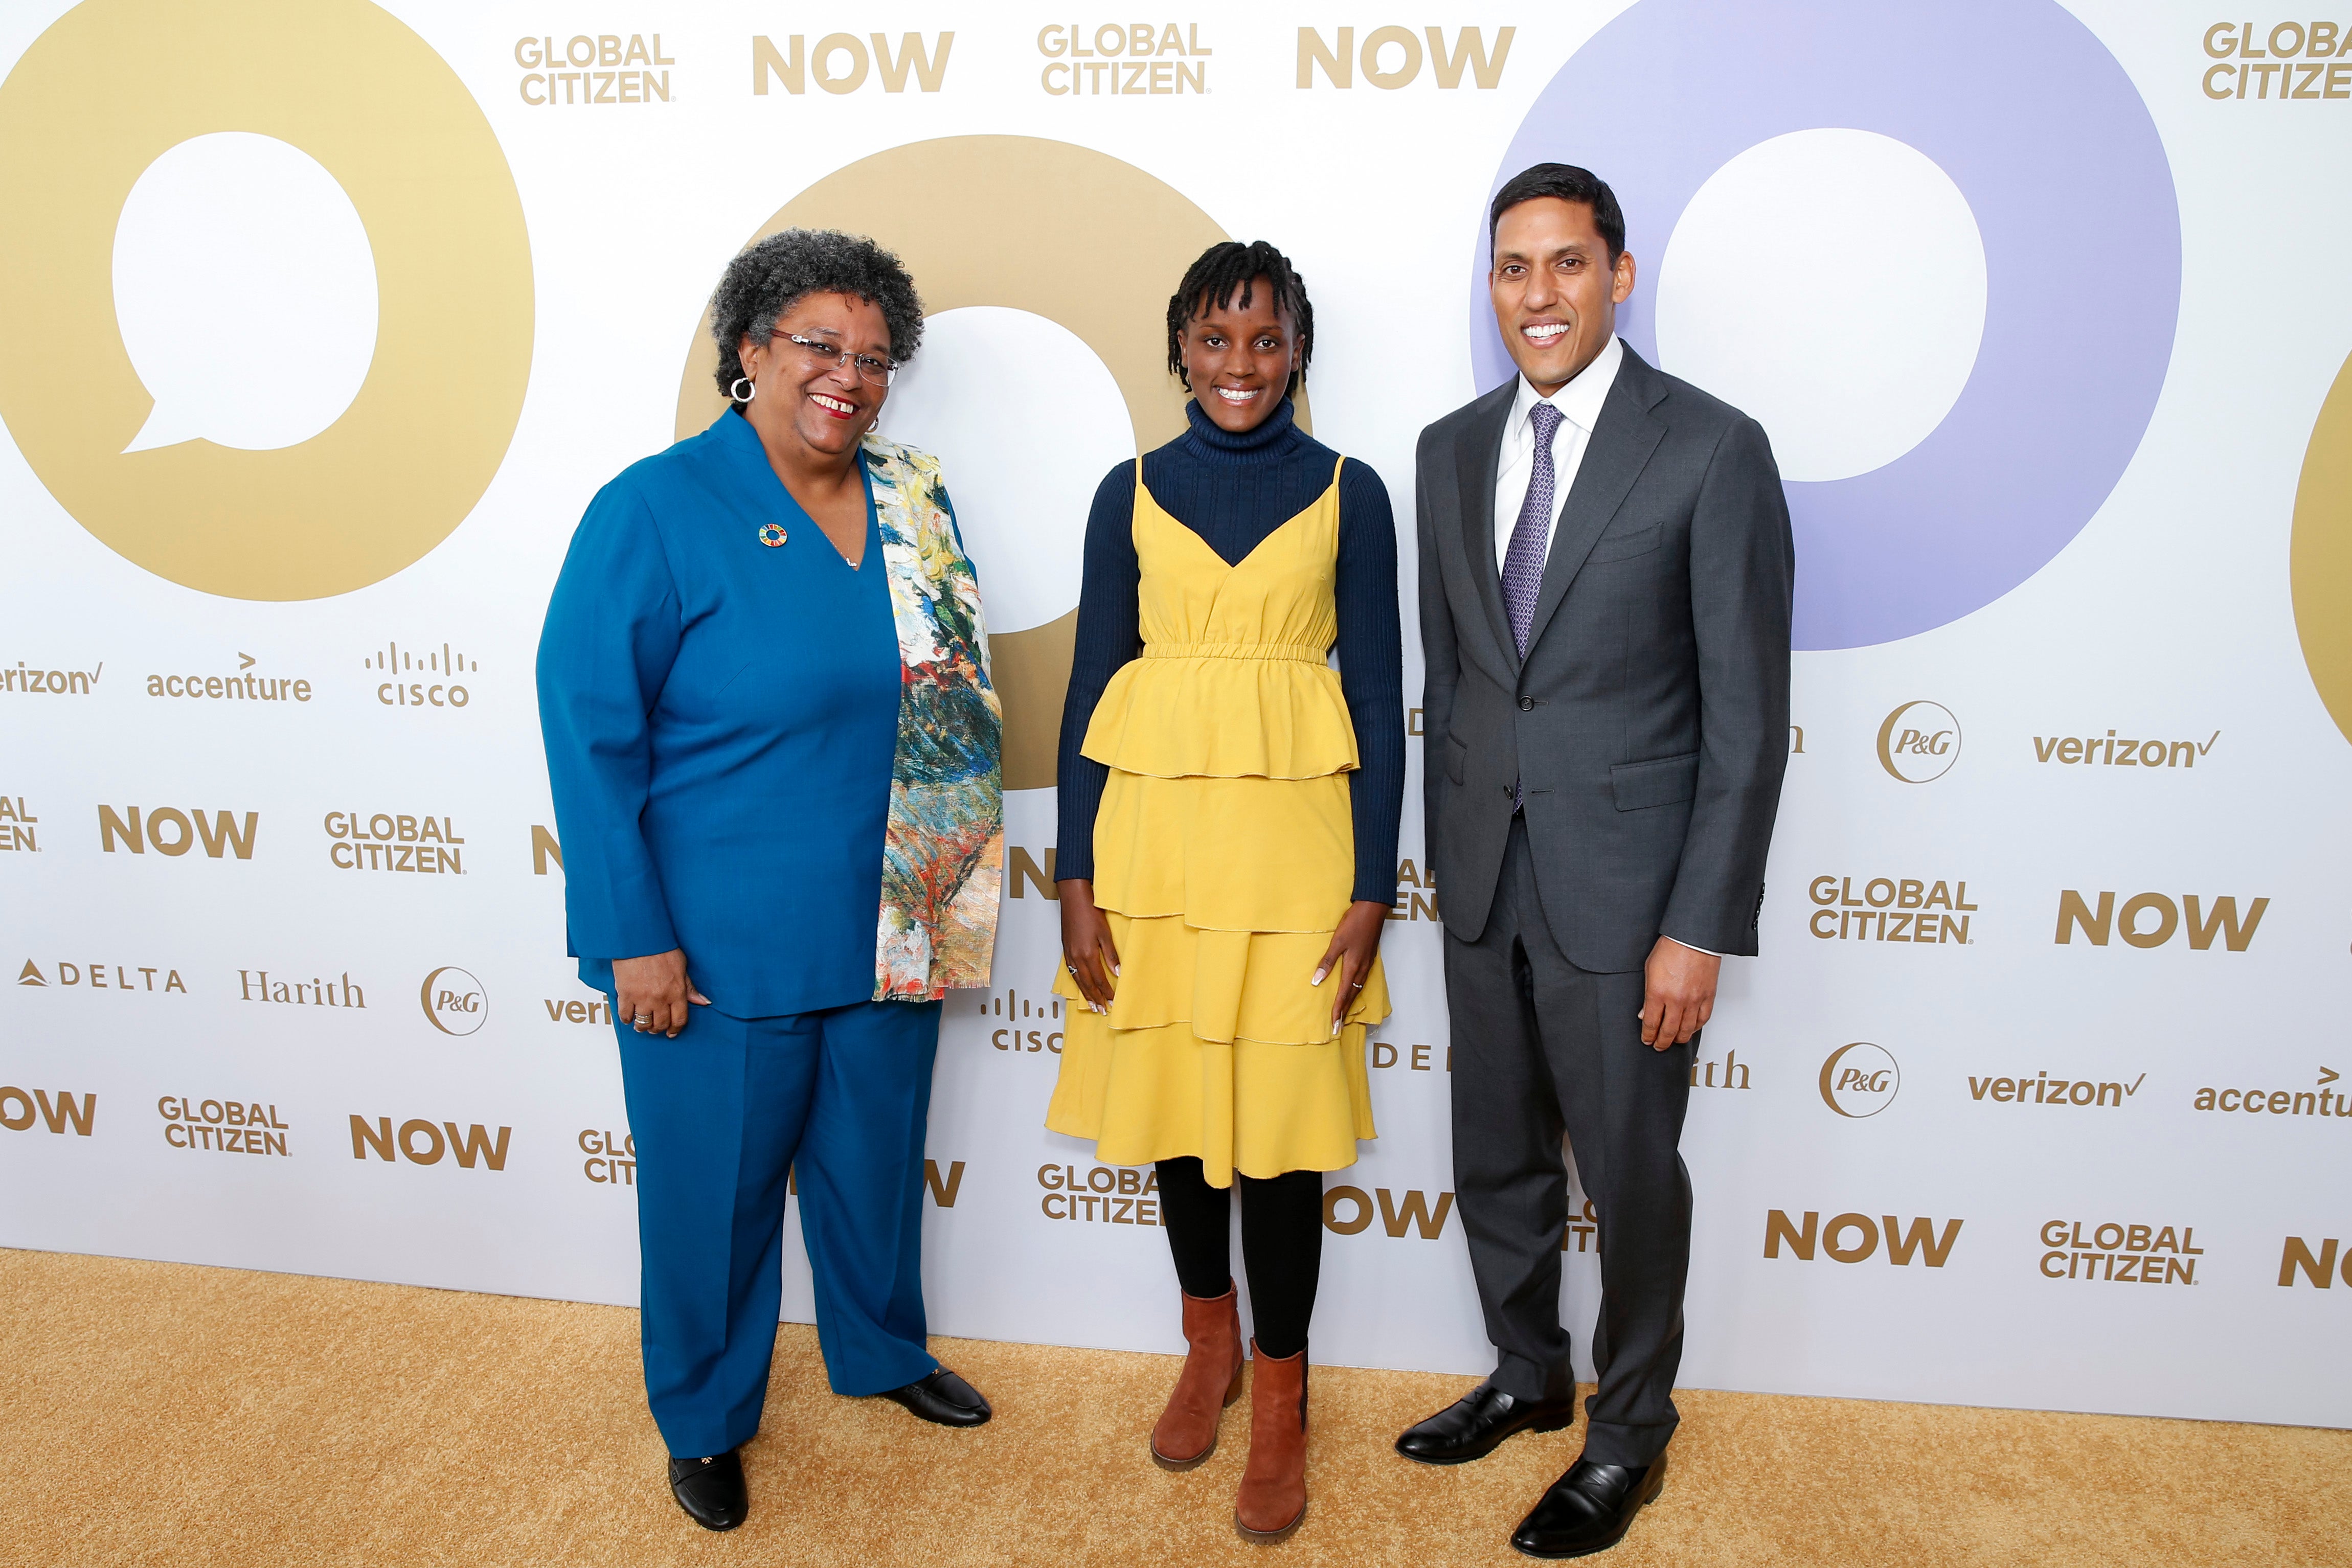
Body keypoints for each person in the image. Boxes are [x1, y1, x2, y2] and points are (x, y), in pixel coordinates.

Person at [535, 229, 1004, 1534]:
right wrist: (632, 934)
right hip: (715, 940)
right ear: (746, 352)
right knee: (711, 1200)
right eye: (817, 346)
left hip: (896, 913)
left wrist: (950, 890)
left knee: (871, 1165)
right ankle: (701, 1414)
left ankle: (882, 1351)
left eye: (873, 357)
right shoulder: (655, 505)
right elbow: (588, 728)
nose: (848, 377)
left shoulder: (916, 497)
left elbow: (949, 704)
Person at [1398, 165, 1793, 1558]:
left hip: (1632, 904)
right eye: (1514, 268)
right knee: (1495, 1156)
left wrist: (1700, 923)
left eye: (1568, 264)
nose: (1540, 294)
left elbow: (1746, 715)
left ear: (1620, 275)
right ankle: (1526, 1371)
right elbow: (1454, 679)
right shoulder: (1448, 450)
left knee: (1629, 1174)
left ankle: (1629, 1433)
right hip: (1484, 881)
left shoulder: (1710, 447)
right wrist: (1445, 860)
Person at [1048, 240, 1404, 1544]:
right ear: (1179, 348)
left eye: (1263, 340)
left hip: (1296, 862)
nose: (1238, 365)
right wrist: (1075, 876)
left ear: (1297, 348)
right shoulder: (1125, 492)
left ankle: (1280, 1398)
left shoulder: (1351, 494)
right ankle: (1207, 1347)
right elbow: (1091, 688)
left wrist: (1373, 887)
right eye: (1213, 338)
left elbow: (1376, 699)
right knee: (1185, 1121)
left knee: (1281, 1142)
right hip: (1149, 856)